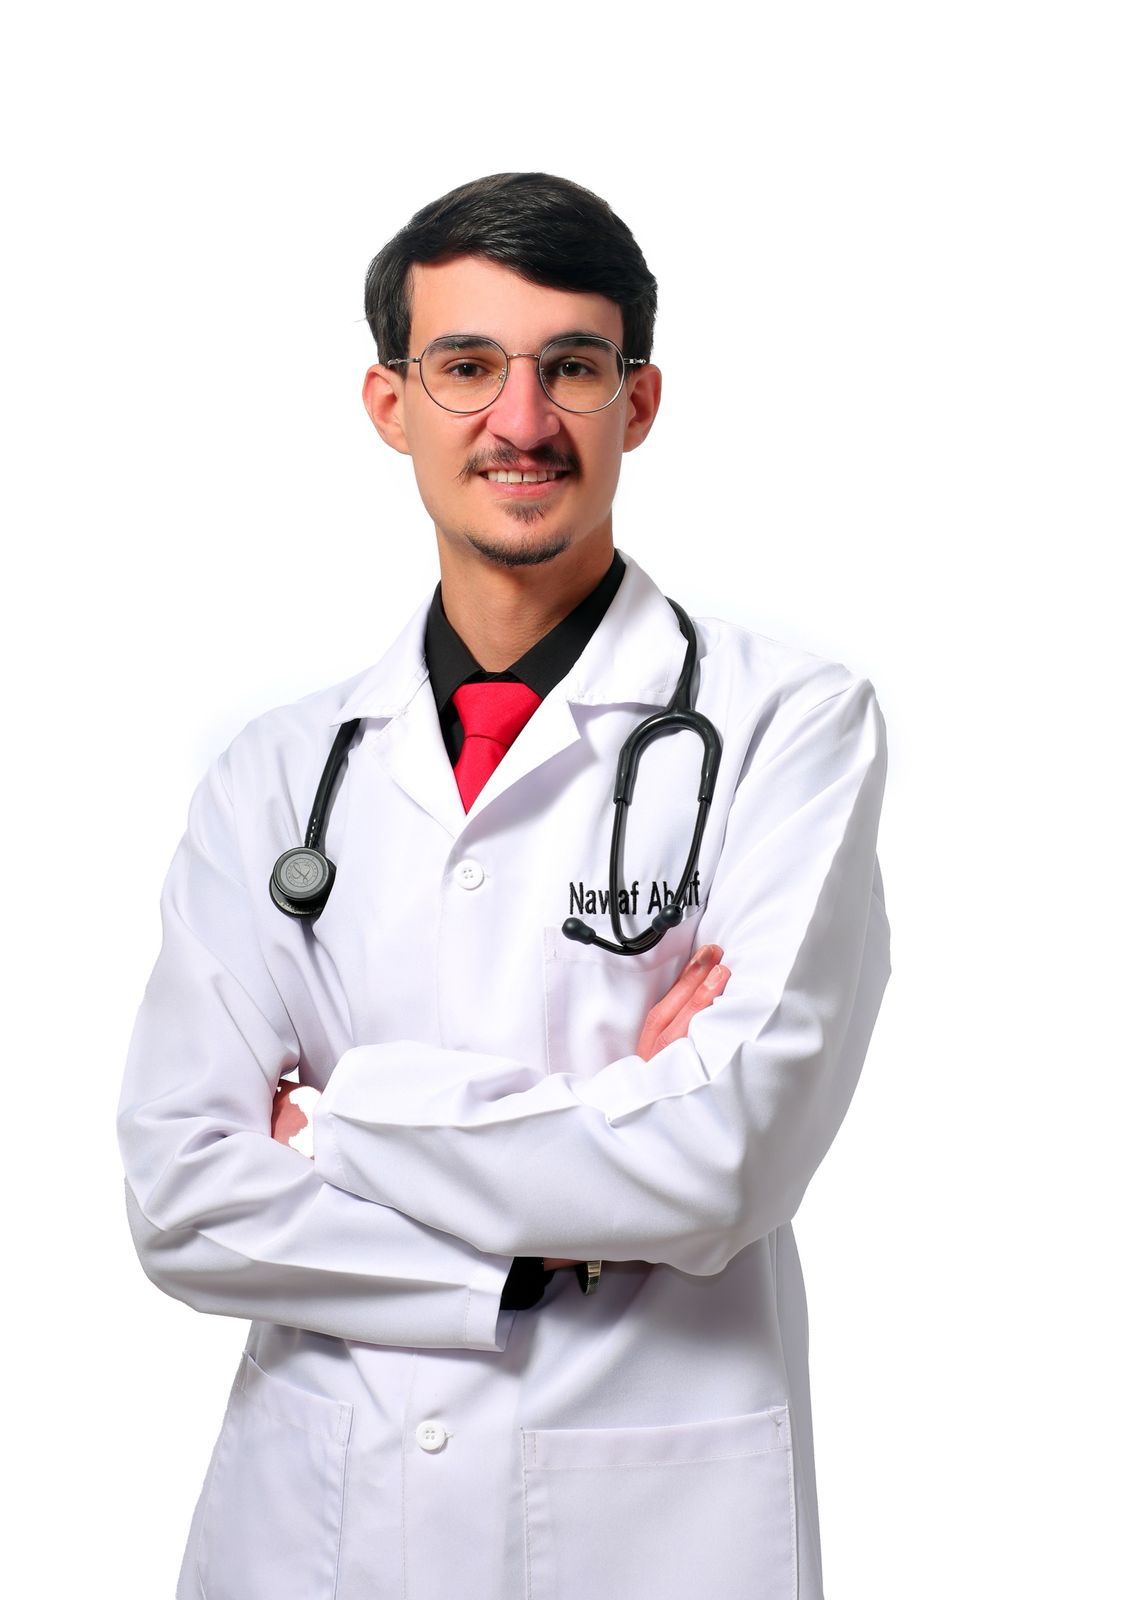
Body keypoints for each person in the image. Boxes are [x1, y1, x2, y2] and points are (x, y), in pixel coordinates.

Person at [118, 171, 890, 1600]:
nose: (520, 421)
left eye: (571, 369)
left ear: (637, 403)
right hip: (313, 1527)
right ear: (390, 403)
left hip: (643, 1531)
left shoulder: (788, 729)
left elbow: (724, 1160)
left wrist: (335, 1125)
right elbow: (180, 1193)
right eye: (466, 366)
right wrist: (544, 1251)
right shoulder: (275, 775)